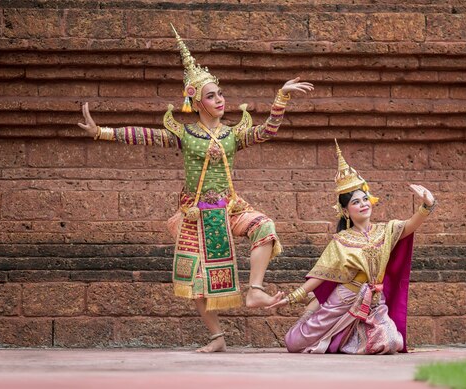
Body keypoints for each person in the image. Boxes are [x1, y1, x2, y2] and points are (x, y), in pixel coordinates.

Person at [77, 25, 313, 352]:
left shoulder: (233, 134)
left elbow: (267, 131)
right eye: (211, 95)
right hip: (196, 214)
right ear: (196, 100)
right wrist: (101, 132)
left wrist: (281, 97)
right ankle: (217, 337)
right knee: (198, 283)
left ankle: (255, 289)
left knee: (265, 227)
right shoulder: (185, 135)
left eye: (220, 93)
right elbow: (144, 135)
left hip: (229, 207)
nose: (219, 99)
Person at [268, 141, 436, 354]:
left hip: (373, 301)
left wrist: (427, 205)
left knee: (393, 342)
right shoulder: (341, 240)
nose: (364, 204)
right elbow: (319, 276)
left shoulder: (387, 230)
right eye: (356, 202)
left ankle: (346, 339)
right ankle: (314, 310)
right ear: (346, 211)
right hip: (345, 298)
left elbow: (410, 226)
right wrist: (292, 298)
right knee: (294, 343)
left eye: (365, 199)